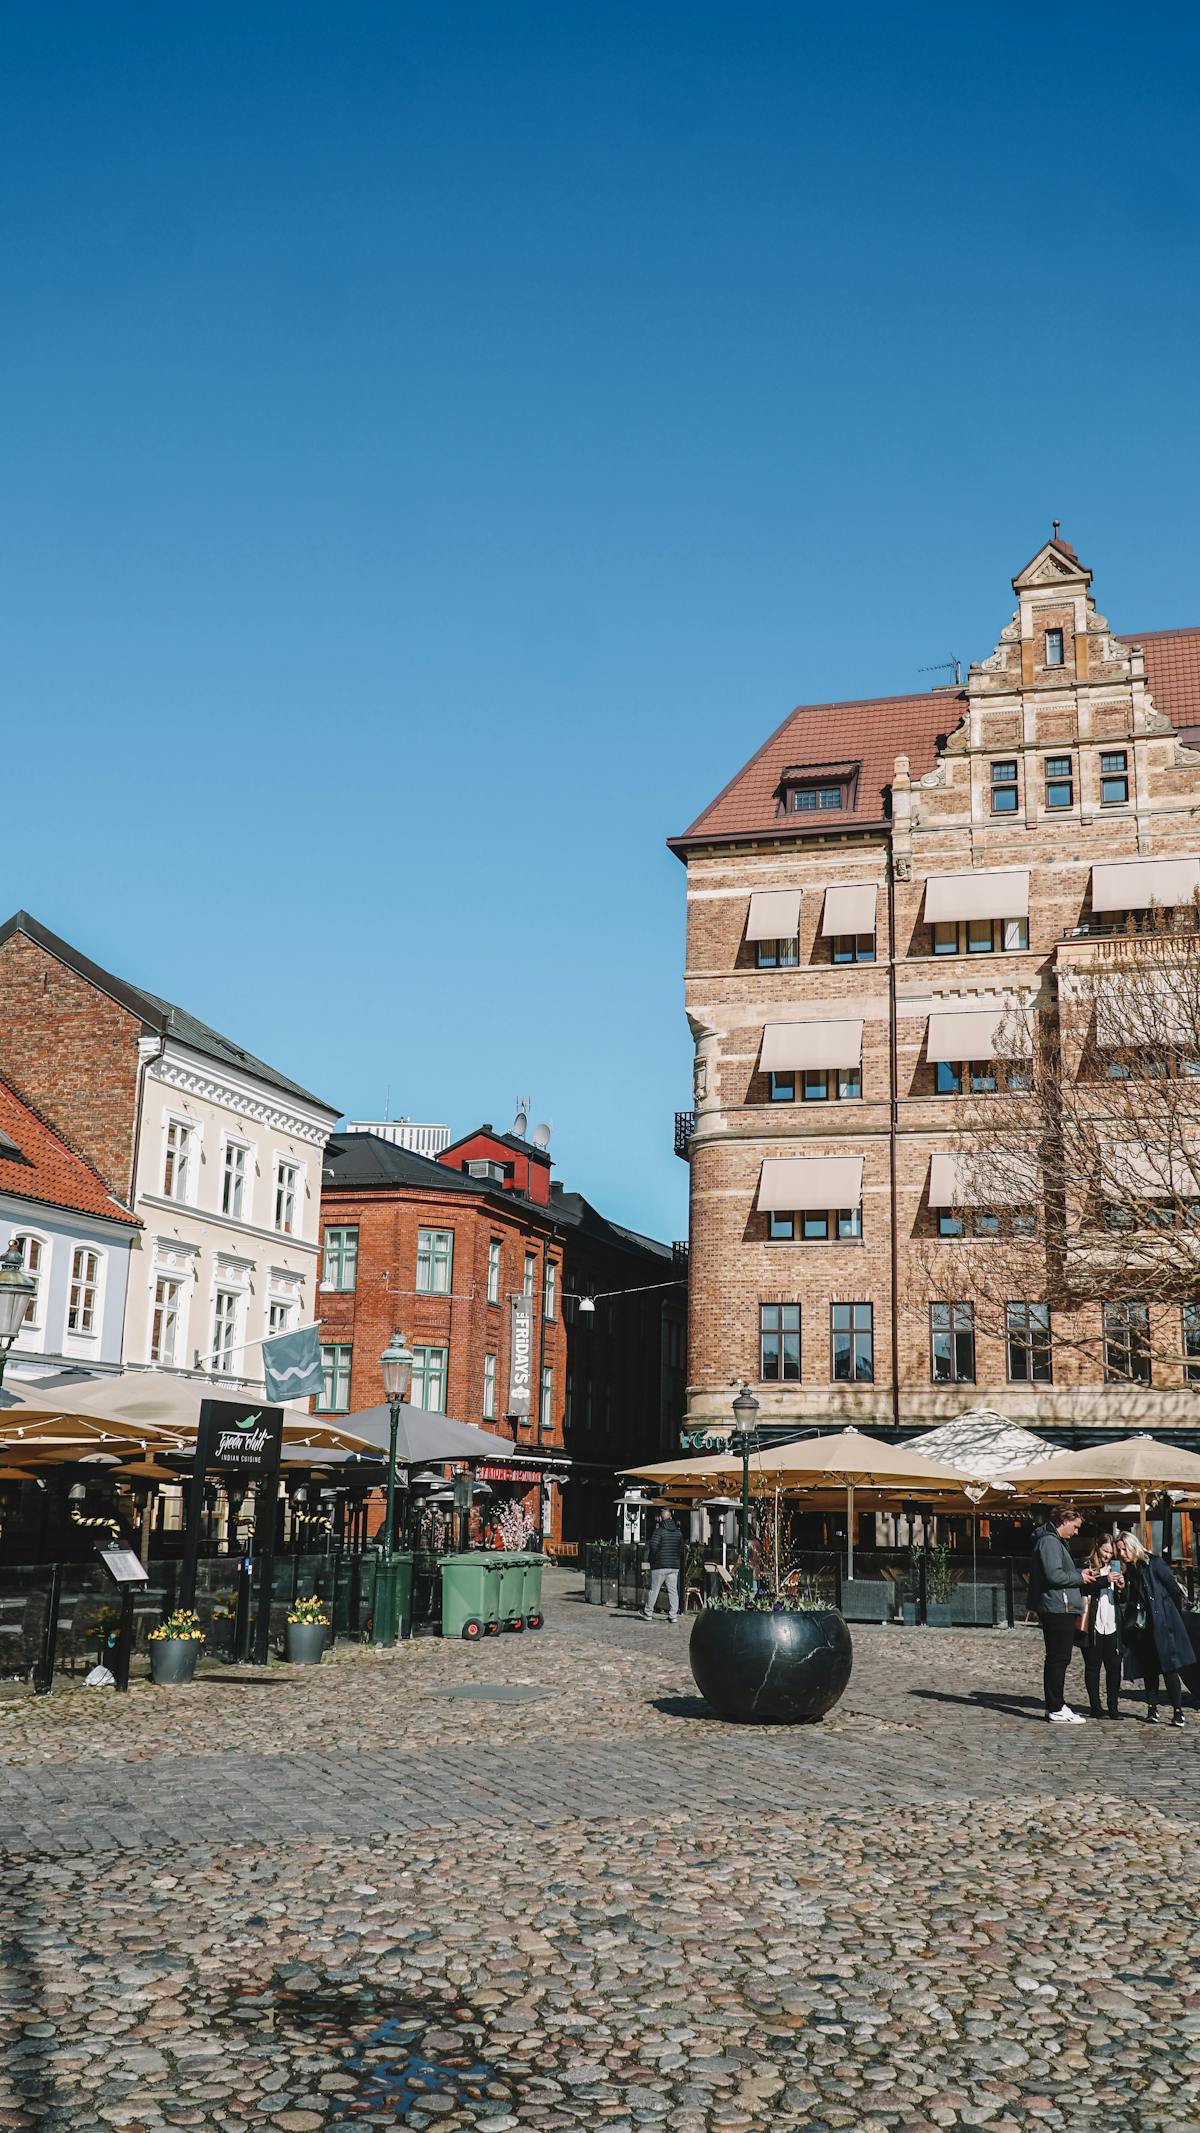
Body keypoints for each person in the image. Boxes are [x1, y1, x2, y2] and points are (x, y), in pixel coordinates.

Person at [1116, 1530, 1193, 1727]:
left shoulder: (1154, 1563)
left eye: (1124, 1548)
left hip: (1162, 1622)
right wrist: (1123, 1588)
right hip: (1143, 1626)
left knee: (1169, 1667)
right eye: (1119, 1550)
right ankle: (1152, 1709)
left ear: (1133, 1546)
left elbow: (1173, 1589)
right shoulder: (1130, 1570)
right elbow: (1130, 1600)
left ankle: (1178, 1711)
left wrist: (1171, 1616)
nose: (1122, 1553)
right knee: (1149, 1668)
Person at [1029, 1505, 1092, 1724]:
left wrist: (1077, 1573)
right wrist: (1079, 1578)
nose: (1076, 1532)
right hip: (1057, 1606)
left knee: (1059, 1657)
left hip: (1059, 1605)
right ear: (1064, 1521)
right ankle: (1055, 1706)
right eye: (1075, 1527)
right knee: (1058, 1658)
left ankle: (1056, 1705)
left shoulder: (1053, 1541)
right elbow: (1054, 1575)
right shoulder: (1049, 1541)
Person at [1079, 1534, 1125, 1720]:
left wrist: (1122, 1586)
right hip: (1094, 1624)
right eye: (1105, 1551)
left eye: (1111, 1553)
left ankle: (1113, 1707)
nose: (1107, 1556)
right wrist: (1106, 1580)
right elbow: (1085, 1588)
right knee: (1093, 1667)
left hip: (1113, 1623)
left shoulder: (1118, 1568)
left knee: (1114, 1668)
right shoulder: (1087, 1567)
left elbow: (1124, 1599)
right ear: (1097, 1547)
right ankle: (1095, 1706)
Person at [643, 1510, 684, 1623]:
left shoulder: (659, 1532)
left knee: (654, 1589)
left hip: (660, 1565)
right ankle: (673, 1615)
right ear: (671, 1517)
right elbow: (681, 1549)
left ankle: (648, 1612)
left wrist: (653, 1560)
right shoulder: (678, 1533)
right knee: (673, 1590)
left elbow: (653, 1546)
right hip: (674, 1565)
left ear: (661, 1518)